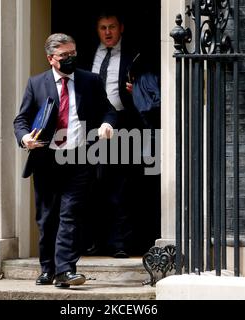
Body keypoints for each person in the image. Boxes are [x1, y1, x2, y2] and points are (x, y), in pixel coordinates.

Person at [13, 33, 116, 288]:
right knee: (47, 218)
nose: (70, 58)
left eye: (73, 54)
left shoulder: (89, 81)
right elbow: (21, 119)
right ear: (51, 58)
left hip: (80, 158)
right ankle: (48, 269)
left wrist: (106, 124)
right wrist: (25, 138)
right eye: (64, 55)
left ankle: (66, 270)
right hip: (47, 160)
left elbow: (108, 110)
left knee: (70, 215)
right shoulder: (36, 83)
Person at [79, 11, 144, 258]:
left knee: (119, 189)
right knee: (88, 187)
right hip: (89, 128)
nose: (108, 32)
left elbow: (150, 87)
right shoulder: (84, 54)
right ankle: (91, 242)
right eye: (103, 27)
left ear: (121, 29)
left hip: (123, 127)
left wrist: (136, 88)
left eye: (112, 27)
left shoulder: (134, 55)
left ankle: (119, 244)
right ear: (97, 30)